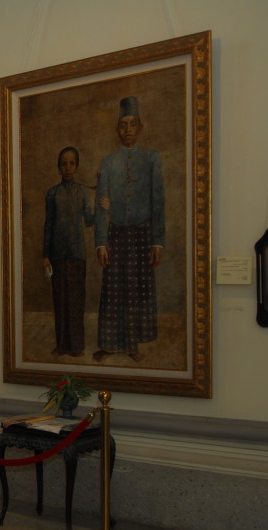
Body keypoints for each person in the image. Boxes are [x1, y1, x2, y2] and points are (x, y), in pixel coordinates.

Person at [92, 96, 164, 363]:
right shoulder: (108, 162)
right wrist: (101, 242)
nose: (128, 130)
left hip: (142, 234)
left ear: (140, 127)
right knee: (113, 290)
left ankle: (133, 344)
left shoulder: (152, 159)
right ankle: (109, 344)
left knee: (135, 289)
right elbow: (102, 204)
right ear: (117, 130)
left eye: (133, 124)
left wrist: (157, 241)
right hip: (116, 234)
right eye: (123, 125)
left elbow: (158, 201)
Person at [42, 146, 93, 357]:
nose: (68, 167)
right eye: (64, 164)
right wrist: (45, 255)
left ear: (76, 166)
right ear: (59, 167)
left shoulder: (83, 192)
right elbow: (48, 225)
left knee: (76, 301)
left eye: (72, 163)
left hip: (77, 254)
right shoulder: (52, 194)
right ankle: (62, 345)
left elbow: (89, 220)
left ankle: (76, 346)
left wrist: (102, 204)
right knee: (60, 300)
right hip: (57, 255)